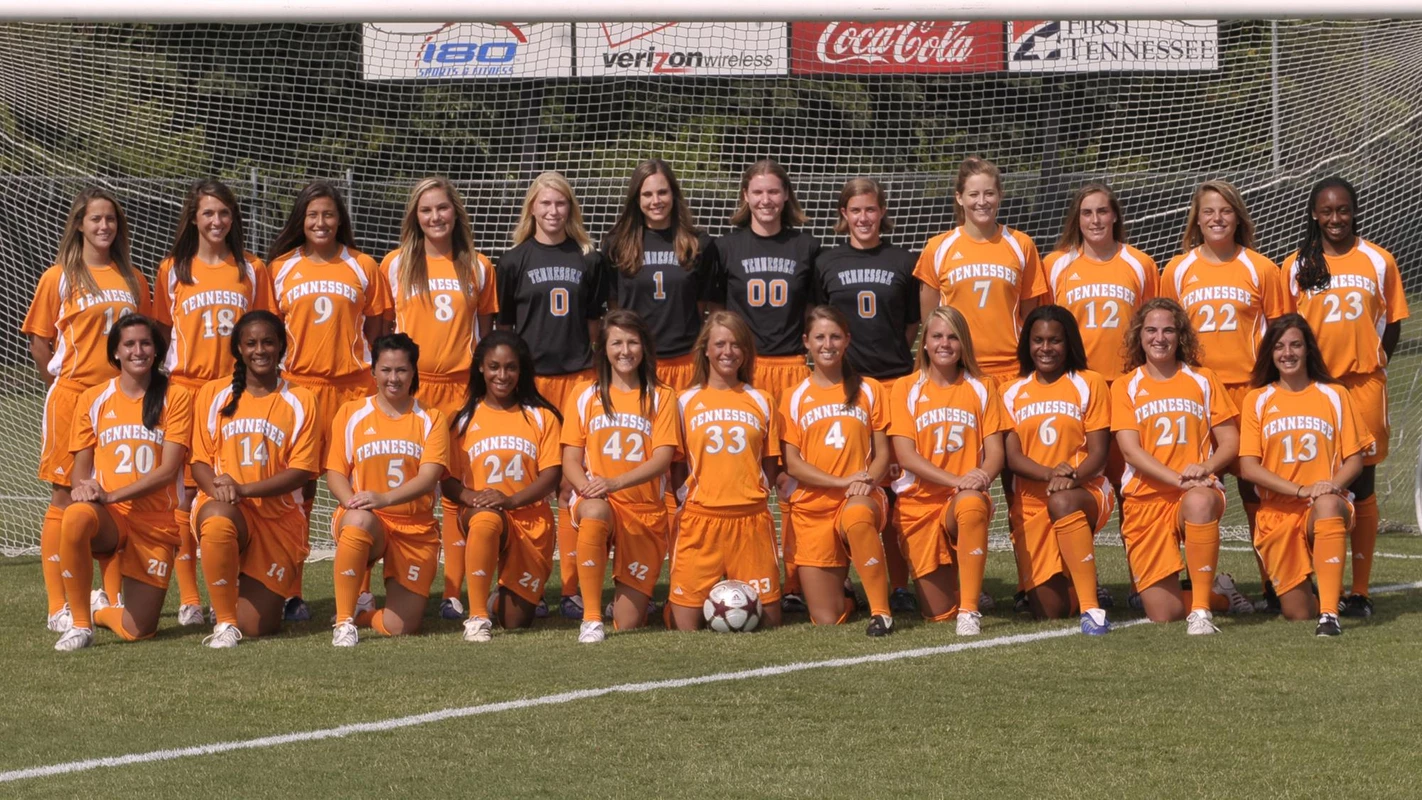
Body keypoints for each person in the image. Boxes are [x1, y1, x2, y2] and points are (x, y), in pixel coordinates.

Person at [23, 186, 152, 633]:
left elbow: (143, 336)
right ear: (79, 223)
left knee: (113, 494)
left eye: (111, 219)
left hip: (120, 402)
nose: (104, 227)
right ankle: (59, 604)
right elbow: (40, 341)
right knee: (65, 496)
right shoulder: (58, 276)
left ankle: (111, 595)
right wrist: (62, 385)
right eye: (96, 219)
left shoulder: (133, 276)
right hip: (74, 398)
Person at [1161, 179, 1291, 609]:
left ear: (1238, 216)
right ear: (1196, 219)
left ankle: (1275, 580)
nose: (1217, 218)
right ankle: (1179, 580)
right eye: (1209, 211)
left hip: (1250, 393)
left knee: (1259, 492)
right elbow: (1164, 334)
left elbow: (1281, 335)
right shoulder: (1177, 270)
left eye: (1225, 211)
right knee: (1186, 485)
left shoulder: (1262, 268)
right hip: (1195, 396)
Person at [154, 178, 277, 627]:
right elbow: (163, 334)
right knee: (185, 490)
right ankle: (190, 598)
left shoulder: (251, 268)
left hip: (235, 388)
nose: (216, 220)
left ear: (233, 217)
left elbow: (263, 328)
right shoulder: (173, 269)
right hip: (187, 388)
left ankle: (249, 580)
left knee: (241, 480)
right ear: (193, 218)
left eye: (224, 212)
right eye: (208, 212)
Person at [1283, 177, 1407, 618]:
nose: (1335, 219)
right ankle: (1309, 574)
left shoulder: (1379, 260)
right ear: (1314, 214)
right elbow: (1287, 328)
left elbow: (1393, 321)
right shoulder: (1297, 265)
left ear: (1354, 211)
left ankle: (1359, 590)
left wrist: (1374, 363)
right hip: (1313, 388)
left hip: (1363, 387)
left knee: (1364, 482)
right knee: (1314, 477)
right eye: (1326, 211)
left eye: (1343, 210)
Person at [268, 180, 391, 621]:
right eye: (312, 215)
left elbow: (377, 330)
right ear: (301, 220)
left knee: (354, 489)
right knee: (297, 492)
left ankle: (359, 590)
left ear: (341, 219)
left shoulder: (363, 266)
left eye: (328, 214)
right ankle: (290, 589)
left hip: (352, 390)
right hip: (299, 390)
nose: (320, 222)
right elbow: (267, 331)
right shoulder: (280, 267)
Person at [380, 176, 498, 621]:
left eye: (443, 209)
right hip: (415, 386)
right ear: (415, 216)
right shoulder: (394, 265)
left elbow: (486, 334)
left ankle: (454, 591)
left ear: (456, 213)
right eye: (426, 210)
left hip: (462, 387)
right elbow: (384, 332)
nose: (435, 217)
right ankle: (401, 580)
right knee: (411, 487)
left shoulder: (479, 266)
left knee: (454, 485)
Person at [707, 159, 820, 610]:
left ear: (786, 196)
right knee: (729, 472)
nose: (766, 201)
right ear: (745, 197)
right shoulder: (725, 247)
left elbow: (814, 313)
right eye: (758, 193)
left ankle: (794, 579)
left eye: (774, 192)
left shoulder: (806, 246)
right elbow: (715, 311)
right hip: (744, 373)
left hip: (793, 368)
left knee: (790, 478)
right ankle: (718, 572)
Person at [496, 171, 607, 620]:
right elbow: (505, 329)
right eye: (545, 204)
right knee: (533, 483)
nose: (553, 211)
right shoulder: (513, 260)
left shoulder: (590, 259)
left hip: (578, 378)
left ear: (570, 208)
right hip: (534, 382)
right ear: (532, 209)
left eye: (561, 203)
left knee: (571, 486)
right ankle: (532, 583)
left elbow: (595, 325)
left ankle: (575, 588)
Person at [1111, 299, 1252, 633]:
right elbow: (1131, 452)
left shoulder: (1203, 380)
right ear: (1138, 336)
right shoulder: (1125, 386)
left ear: (1181, 336)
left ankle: (1201, 611)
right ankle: (1219, 594)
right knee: (1163, 612)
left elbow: (1230, 442)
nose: (1160, 338)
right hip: (1147, 499)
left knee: (1201, 499)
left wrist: (1205, 468)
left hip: (1194, 492)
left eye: (1168, 330)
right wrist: (1177, 478)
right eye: (1151, 330)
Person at [53, 316, 191, 650]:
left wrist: (111, 493)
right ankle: (81, 625)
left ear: (157, 350)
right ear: (115, 351)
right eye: (129, 344)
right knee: (75, 513)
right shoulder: (93, 398)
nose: (138, 351)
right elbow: (81, 470)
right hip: (111, 518)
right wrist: (83, 489)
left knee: (137, 630)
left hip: (154, 521)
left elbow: (168, 469)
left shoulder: (177, 396)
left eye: (145, 343)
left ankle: (101, 611)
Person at [818, 178, 921, 611]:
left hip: (894, 381)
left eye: (871, 210)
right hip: (847, 387)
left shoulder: (903, 261)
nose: (863, 218)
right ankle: (839, 581)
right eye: (855, 210)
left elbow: (910, 327)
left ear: (882, 213)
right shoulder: (826, 261)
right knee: (844, 482)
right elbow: (821, 323)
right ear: (844, 215)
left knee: (896, 487)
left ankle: (898, 584)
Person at [190, 311, 319, 647]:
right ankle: (224, 624)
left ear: (281, 348)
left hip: (277, 520)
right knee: (218, 521)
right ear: (239, 350)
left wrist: (243, 489)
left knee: (260, 626)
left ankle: (235, 598)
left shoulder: (302, 399)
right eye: (251, 343)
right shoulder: (213, 395)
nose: (260, 350)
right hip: (227, 508)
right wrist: (220, 492)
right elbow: (200, 463)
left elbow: (301, 472)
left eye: (268, 342)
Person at [1238, 315, 1371, 636]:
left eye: (1296, 344)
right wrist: (1300, 490)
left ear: (1308, 349)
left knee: (1326, 504)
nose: (1288, 353)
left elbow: (1355, 460)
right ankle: (1325, 596)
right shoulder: (1257, 399)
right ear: (1270, 353)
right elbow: (1249, 468)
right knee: (1297, 613)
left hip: (1323, 503)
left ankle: (1329, 616)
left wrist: (1329, 487)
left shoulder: (1335, 395)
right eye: (1280, 346)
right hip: (1278, 514)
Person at [888, 306, 1007, 635]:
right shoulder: (905, 388)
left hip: (961, 501)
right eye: (937, 335)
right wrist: (959, 480)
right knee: (937, 612)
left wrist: (980, 478)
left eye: (953, 337)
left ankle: (969, 611)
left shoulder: (983, 386)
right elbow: (906, 456)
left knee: (971, 502)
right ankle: (963, 585)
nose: (945, 343)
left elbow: (995, 452)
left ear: (964, 343)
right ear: (924, 342)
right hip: (919, 505)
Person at [561, 310, 678, 642]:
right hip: (599, 501)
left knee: (628, 622)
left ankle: (621, 604)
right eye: (616, 343)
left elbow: (663, 458)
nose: (625, 351)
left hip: (643, 511)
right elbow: (570, 459)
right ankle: (592, 618)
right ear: (603, 348)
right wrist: (587, 489)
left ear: (644, 347)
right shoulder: (584, 394)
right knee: (595, 512)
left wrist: (615, 482)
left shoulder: (662, 396)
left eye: (632, 342)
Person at [326, 334, 449, 646]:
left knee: (400, 626)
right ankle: (344, 622)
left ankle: (366, 615)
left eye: (402, 371)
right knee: (358, 522)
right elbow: (336, 472)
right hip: (371, 519)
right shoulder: (351, 413)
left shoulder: (431, 418)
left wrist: (385, 498)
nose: (393, 378)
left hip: (415, 527)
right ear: (373, 371)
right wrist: (350, 504)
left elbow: (429, 477)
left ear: (413, 373)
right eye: (386, 370)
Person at [779, 306, 895, 636]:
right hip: (813, 507)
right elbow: (793, 463)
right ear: (806, 342)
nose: (827, 344)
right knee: (826, 618)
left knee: (858, 517)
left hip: (858, 498)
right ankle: (848, 598)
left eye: (834, 336)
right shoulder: (793, 396)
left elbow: (883, 454)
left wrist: (866, 481)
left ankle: (881, 613)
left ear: (847, 340)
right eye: (819, 337)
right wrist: (840, 480)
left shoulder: (870, 389)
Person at [442, 331, 563, 640]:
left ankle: (498, 599)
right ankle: (478, 616)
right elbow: (447, 480)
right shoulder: (462, 418)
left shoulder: (542, 417)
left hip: (530, 519)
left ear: (521, 370)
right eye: (494, 366)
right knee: (485, 519)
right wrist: (473, 497)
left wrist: (509, 500)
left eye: (510, 367)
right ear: (481, 368)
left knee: (515, 621)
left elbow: (551, 475)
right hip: (482, 513)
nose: (502, 375)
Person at [667, 311, 784, 631]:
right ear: (705, 349)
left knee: (770, 621)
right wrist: (685, 497)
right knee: (684, 626)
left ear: (745, 351)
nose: (727, 352)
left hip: (750, 520)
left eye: (735, 344)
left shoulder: (762, 400)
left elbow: (770, 462)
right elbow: (675, 463)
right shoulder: (684, 401)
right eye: (719, 344)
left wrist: (754, 490)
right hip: (700, 519)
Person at [1001, 305, 1112, 633]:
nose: (1046, 348)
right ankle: (1081, 583)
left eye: (1055, 340)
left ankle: (1092, 611)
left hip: (1084, 490)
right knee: (1050, 612)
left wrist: (1071, 477)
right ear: (1027, 344)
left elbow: (1099, 453)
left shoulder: (1090, 382)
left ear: (1069, 343)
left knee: (1062, 502)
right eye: (1038, 340)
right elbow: (1012, 457)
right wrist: (1052, 474)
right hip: (1034, 502)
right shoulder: (1009, 390)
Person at [915, 157, 1047, 385]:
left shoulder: (1021, 244)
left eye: (989, 193)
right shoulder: (938, 248)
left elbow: (1029, 317)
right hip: (958, 369)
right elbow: (930, 322)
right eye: (973, 194)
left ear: (1000, 196)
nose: (982, 201)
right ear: (959, 197)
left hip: (1011, 369)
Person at [604, 158, 714, 392]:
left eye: (662, 192)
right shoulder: (617, 245)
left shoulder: (697, 244)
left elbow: (702, 305)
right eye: (647, 194)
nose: (656, 201)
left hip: (684, 360)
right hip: (636, 363)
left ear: (674, 194)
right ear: (637, 198)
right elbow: (615, 308)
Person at [1045, 182, 1157, 383]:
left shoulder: (1141, 264)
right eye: (1087, 213)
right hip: (1072, 379)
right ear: (1077, 219)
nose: (1095, 220)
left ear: (1114, 215)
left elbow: (1152, 325)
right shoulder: (1055, 265)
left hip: (1127, 379)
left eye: (1102, 211)